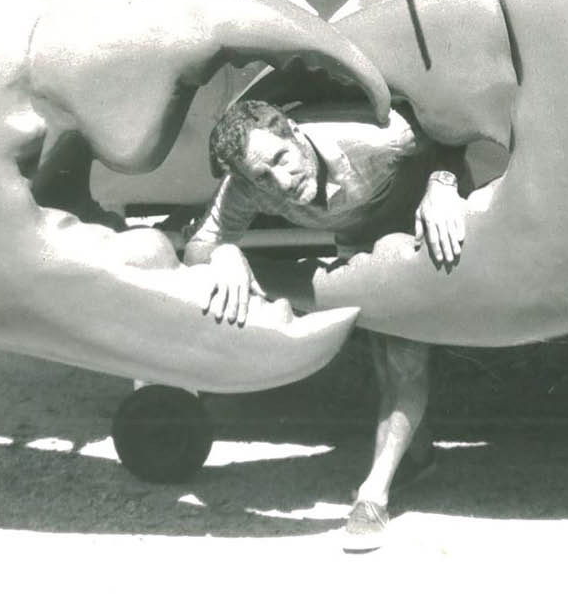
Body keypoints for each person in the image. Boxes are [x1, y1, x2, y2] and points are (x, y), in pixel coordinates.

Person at [183, 98, 469, 551]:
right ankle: (416, 456)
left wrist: (443, 184)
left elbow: (449, 131)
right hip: (359, 239)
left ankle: (374, 496)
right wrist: (225, 252)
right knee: (384, 351)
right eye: (262, 177)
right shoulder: (248, 185)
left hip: (421, 221)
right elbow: (197, 247)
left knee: (404, 356)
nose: (280, 182)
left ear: (294, 131)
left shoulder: (374, 136)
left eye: (281, 158)